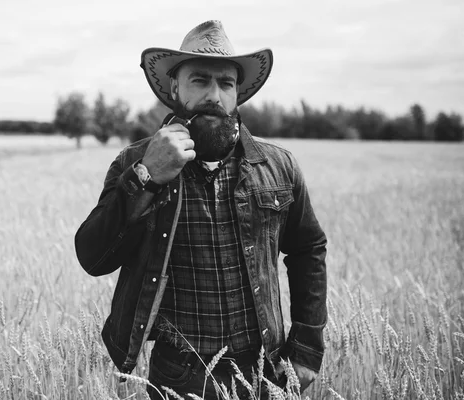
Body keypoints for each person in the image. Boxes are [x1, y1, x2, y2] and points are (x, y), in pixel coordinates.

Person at [75, 20, 327, 399]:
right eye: (200, 81)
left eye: (226, 83)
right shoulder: (134, 161)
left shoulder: (278, 166)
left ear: (237, 93)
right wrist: (148, 175)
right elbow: (94, 258)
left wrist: (306, 351)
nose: (215, 94)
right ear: (175, 87)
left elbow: (308, 249)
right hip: (178, 376)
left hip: (265, 372)